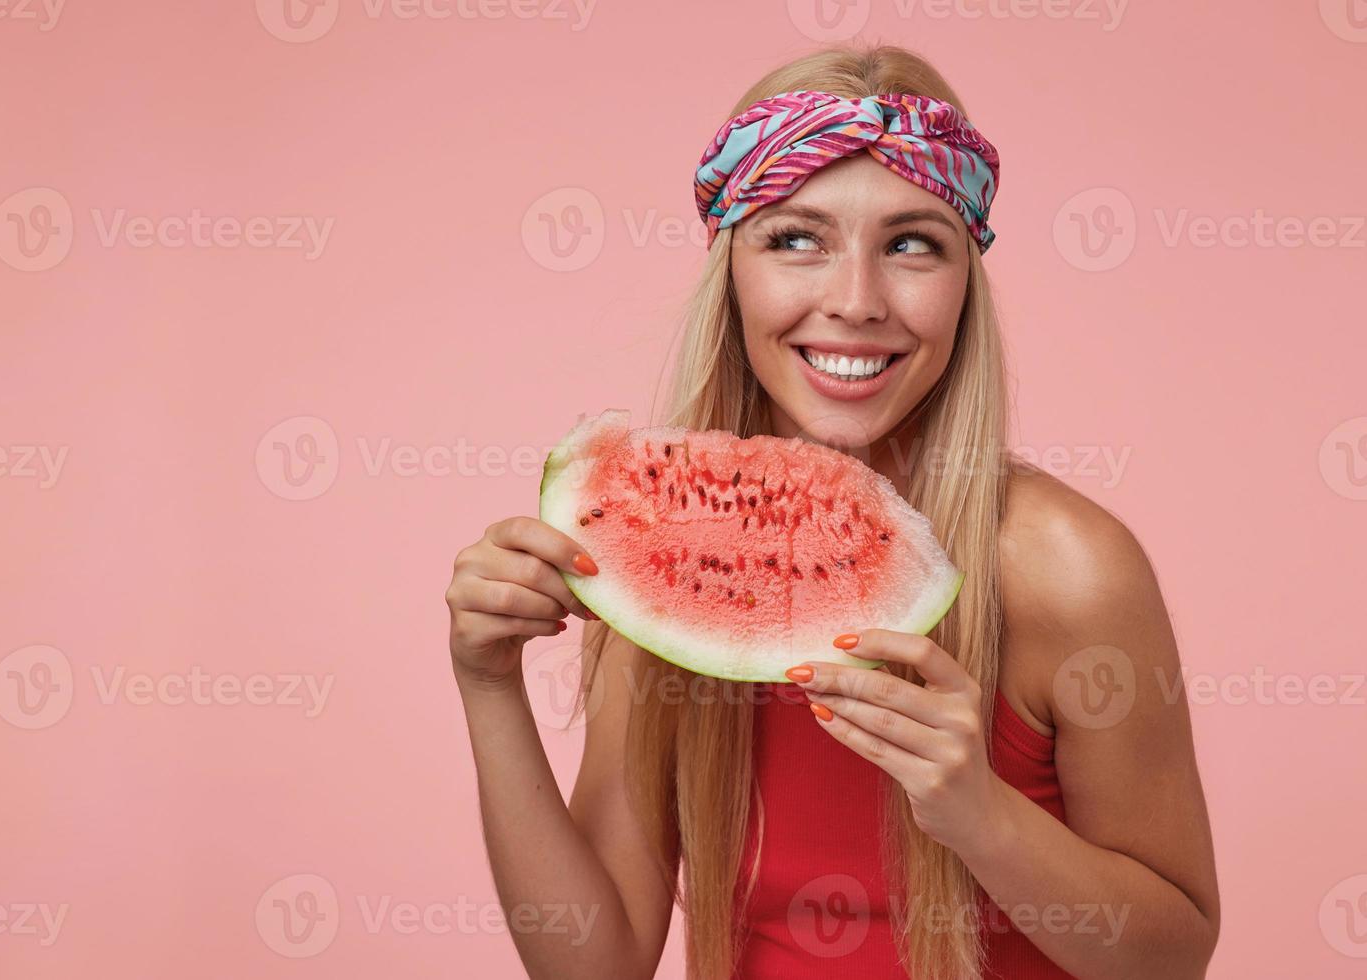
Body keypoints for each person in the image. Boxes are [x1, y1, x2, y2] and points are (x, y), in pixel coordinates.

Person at [444, 42, 1220, 979]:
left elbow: (1171, 959)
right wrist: (488, 685)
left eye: (910, 244)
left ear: (965, 278)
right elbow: (592, 965)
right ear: (731, 269)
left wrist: (979, 813)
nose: (855, 302)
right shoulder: (654, 541)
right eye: (796, 238)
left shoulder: (1071, 566)